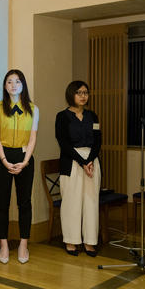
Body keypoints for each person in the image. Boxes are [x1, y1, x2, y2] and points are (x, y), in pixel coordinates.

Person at [0, 70, 39, 264]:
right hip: (2, 157)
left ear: (23, 85)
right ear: (5, 86)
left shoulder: (33, 109)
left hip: (24, 157)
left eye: (17, 82)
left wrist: (25, 161)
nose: (13, 85)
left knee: (24, 202)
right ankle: (3, 245)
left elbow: (33, 138)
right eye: (9, 82)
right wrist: (4, 160)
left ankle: (23, 244)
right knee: (2, 202)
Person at [55, 80, 101, 257]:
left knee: (91, 202)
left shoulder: (93, 116)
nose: (83, 96)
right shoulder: (62, 116)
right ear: (71, 94)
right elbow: (63, 143)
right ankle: (71, 240)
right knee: (71, 202)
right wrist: (82, 162)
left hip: (92, 162)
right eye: (79, 93)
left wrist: (89, 160)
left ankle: (90, 241)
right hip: (72, 162)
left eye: (85, 93)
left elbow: (98, 141)